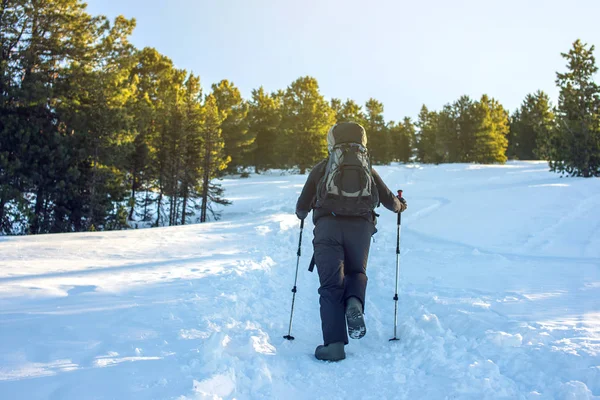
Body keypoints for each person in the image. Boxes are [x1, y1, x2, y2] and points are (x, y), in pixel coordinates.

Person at [295, 122, 408, 362]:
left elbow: (301, 207)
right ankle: (354, 302)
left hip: (328, 228)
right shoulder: (367, 169)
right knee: (356, 272)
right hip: (361, 228)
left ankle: (334, 346)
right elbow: (391, 203)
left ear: (332, 143)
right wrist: (401, 204)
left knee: (330, 285)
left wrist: (304, 213)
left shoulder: (323, 168)